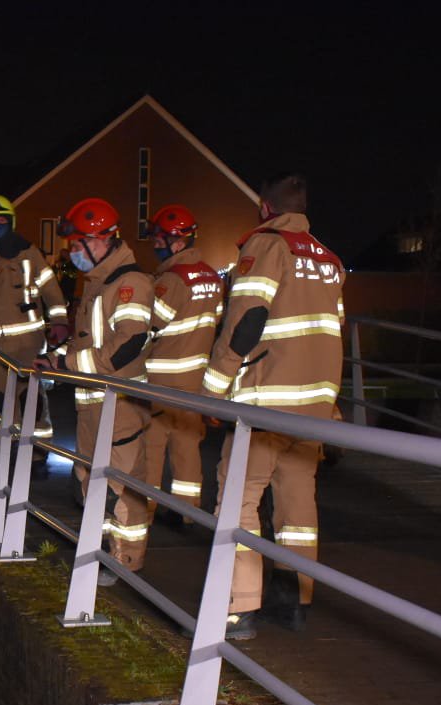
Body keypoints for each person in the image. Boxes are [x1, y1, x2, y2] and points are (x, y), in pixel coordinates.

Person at [201, 172, 346, 640]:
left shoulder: (264, 246)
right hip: (314, 407)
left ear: (265, 208)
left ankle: (238, 609)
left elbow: (247, 319)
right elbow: (333, 333)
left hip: (266, 400)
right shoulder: (329, 259)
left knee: (238, 500)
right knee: (298, 504)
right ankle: (295, 600)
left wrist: (212, 388)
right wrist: (334, 406)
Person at [38, 197, 156, 585]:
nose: (73, 253)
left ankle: (123, 564)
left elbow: (128, 344)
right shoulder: (98, 284)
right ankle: (106, 556)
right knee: (93, 484)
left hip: (119, 405)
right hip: (93, 406)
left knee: (117, 491)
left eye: (77, 244)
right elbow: (87, 342)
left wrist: (69, 365)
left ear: (101, 239)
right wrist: (59, 361)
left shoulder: (129, 284)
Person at [0, 194, 69, 443]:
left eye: (2, 220)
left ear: (11, 221)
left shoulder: (29, 254)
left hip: (29, 343)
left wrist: (60, 322)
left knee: (31, 400)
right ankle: (6, 452)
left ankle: (37, 453)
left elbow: (51, 290)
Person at [142, 204, 222, 522]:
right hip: (194, 377)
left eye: (159, 239)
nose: (155, 244)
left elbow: (150, 326)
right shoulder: (213, 278)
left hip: (163, 378)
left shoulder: (171, 281)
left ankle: (143, 507)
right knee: (188, 445)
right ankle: (186, 511)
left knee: (152, 445)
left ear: (177, 241)